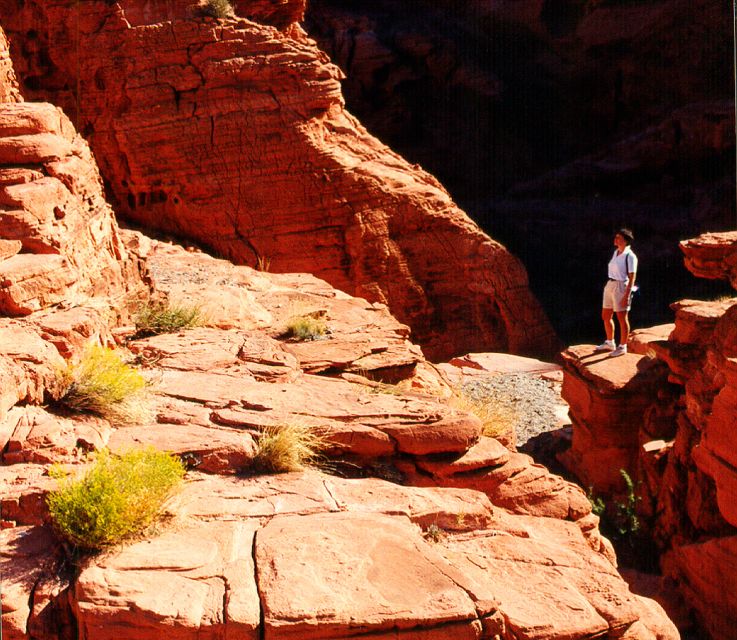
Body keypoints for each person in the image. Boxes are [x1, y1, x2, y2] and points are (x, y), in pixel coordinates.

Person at [595, 228, 637, 357]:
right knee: (606, 315)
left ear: (625, 240)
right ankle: (610, 342)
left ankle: (622, 346)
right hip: (610, 284)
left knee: (622, 318)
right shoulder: (616, 252)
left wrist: (627, 294)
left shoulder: (630, 256)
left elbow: (632, 277)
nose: (615, 239)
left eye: (618, 237)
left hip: (621, 286)